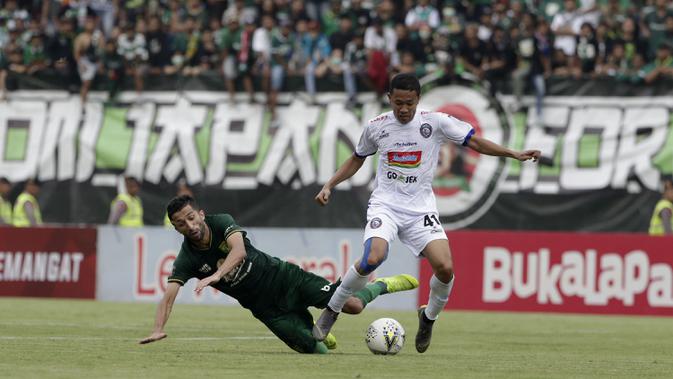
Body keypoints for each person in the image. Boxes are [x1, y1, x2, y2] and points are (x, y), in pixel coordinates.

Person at [312, 73, 541, 353]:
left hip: (421, 210)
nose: (404, 109)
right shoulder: (376, 126)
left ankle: (428, 317)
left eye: (409, 103)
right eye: (398, 103)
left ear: (418, 99)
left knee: (445, 268)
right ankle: (332, 310)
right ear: (389, 100)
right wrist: (330, 184)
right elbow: (357, 158)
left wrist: (513, 153)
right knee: (373, 257)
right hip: (386, 204)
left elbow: (476, 142)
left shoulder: (436, 122)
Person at [139, 195, 419, 354]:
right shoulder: (187, 259)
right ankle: (314, 332)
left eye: (191, 217)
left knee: (353, 305)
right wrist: (157, 329)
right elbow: (168, 297)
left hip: (288, 280)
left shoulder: (220, 221)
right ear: (175, 229)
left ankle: (381, 285)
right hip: (267, 310)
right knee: (318, 353)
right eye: (180, 224)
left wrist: (217, 275)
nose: (189, 225)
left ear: (200, 214)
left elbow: (239, 252)